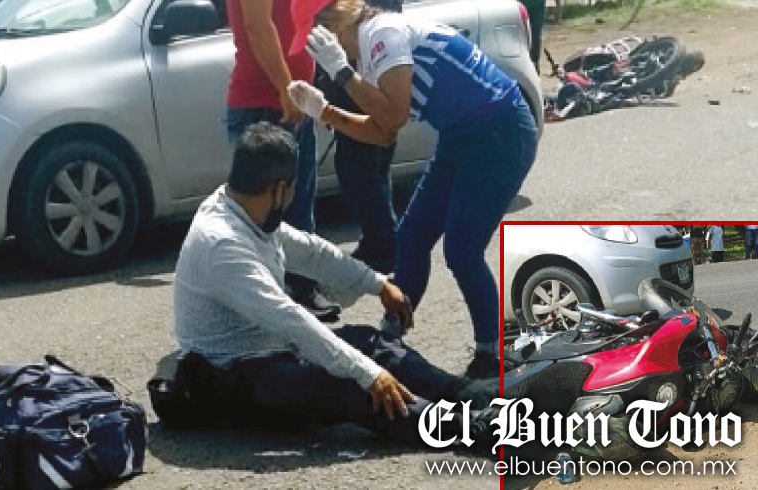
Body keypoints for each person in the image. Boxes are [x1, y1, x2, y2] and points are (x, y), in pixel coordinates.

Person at [172, 122, 497, 444]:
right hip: (234, 376)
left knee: (372, 344)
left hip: (274, 350)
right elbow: (289, 319)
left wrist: (378, 284)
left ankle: (467, 394)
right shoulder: (221, 245)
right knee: (354, 385)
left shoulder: (243, 209)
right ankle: (470, 428)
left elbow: (313, 253)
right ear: (280, 189)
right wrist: (369, 375)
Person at [286, 0, 538, 378]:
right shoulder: (368, 54)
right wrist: (325, 112)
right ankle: (389, 339)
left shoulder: (382, 35)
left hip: (500, 133)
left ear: (332, 26)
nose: (313, 55)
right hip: (461, 135)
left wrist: (342, 73)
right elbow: (382, 133)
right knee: (411, 238)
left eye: (312, 41)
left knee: (462, 251)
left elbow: (394, 115)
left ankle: (494, 353)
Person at [225, 0, 340, 321]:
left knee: (298, 207)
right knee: (262, 219)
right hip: (265, 105)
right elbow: (257, 25)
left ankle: (301, 292)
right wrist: (286, 88)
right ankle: (269, 307)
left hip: (292, 102)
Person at [314, 0, 402, 274]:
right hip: (360, 52)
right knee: (367, 168)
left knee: (360, 167)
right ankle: (380, 242)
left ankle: (385, 248)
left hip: (359, 56)